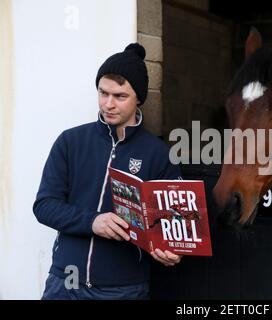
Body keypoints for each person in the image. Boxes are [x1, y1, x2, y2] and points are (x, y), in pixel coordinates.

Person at [33, 43, 182, 300]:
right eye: (103, 93)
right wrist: (92, 221)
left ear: (139, 98)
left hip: (123, 290)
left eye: (120, 96)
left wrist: (170, 249)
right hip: (65, 283)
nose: (108, 104)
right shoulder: (70, 141)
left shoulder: (158, 153)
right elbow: (44, 206)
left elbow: (173, 222)